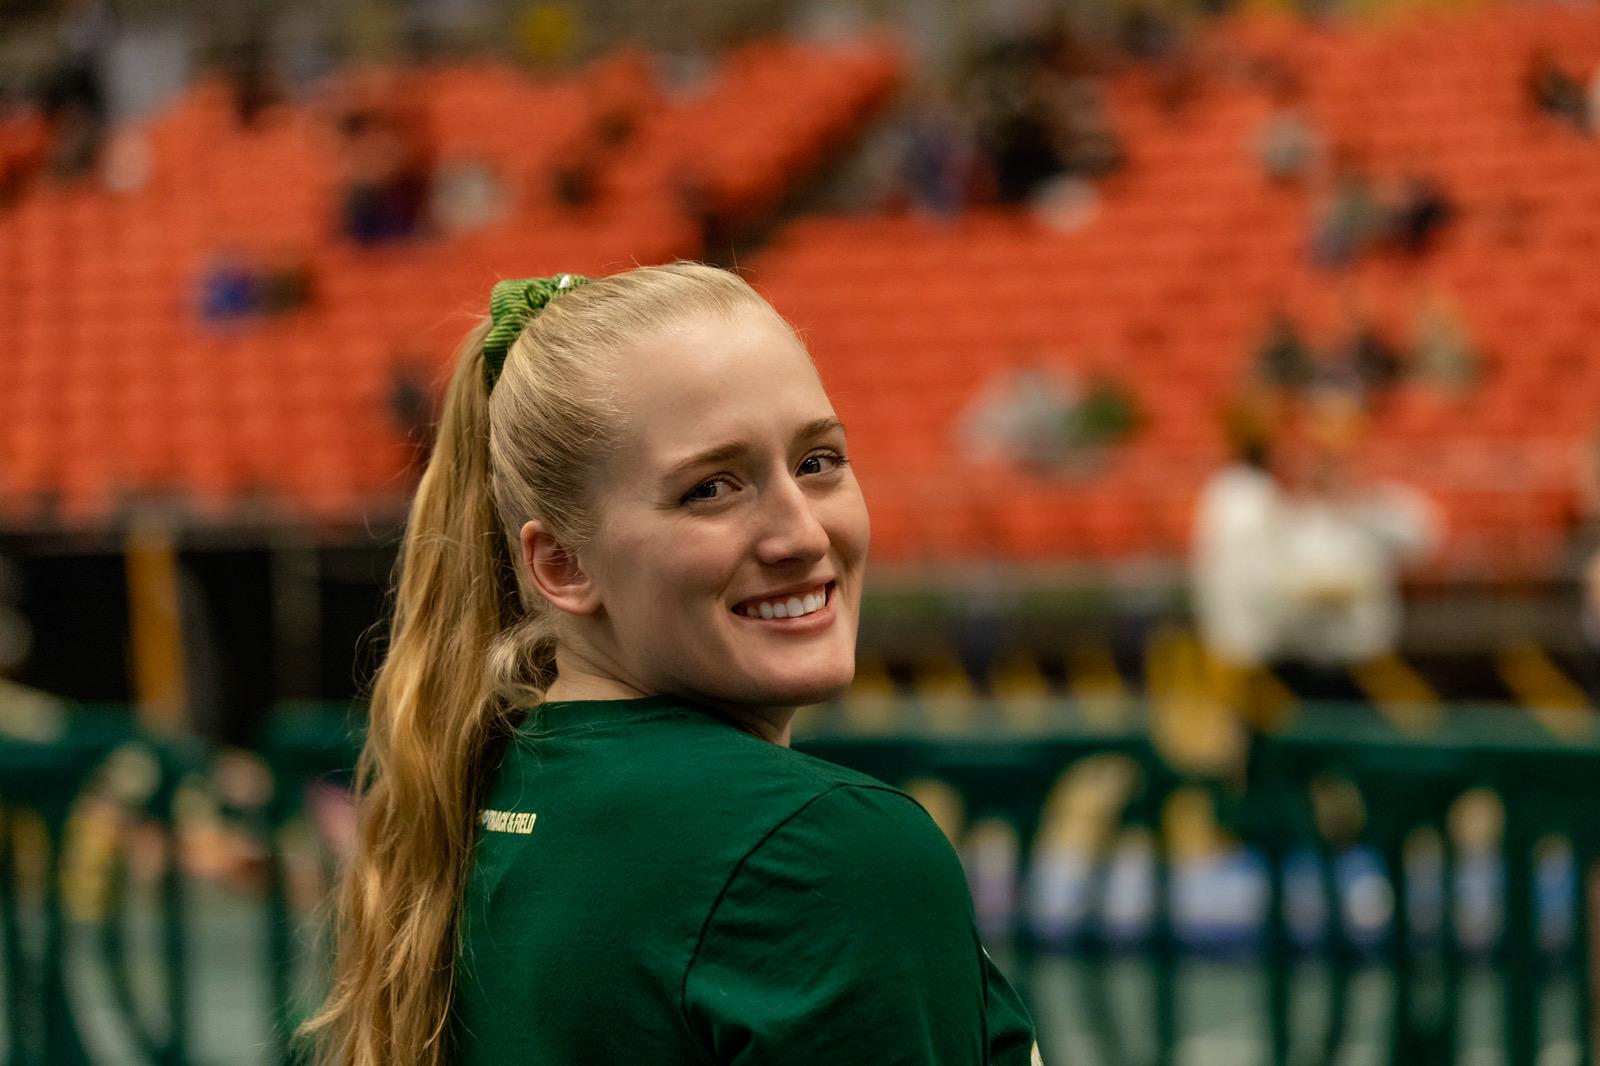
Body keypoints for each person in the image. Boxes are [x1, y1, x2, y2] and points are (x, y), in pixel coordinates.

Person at [301, 264, 1042, 1065]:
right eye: (710, 489)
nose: (801, 534)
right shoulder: (817, 850)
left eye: (818, 462)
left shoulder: (474, 788)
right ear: (563, 565)